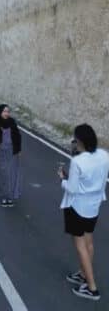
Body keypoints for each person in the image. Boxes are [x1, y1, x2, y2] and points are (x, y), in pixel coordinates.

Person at [59, 124, 109, 301]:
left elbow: (72, 189)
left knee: (80, 247)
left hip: (77, 207)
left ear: (79, 141)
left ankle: (92, 288)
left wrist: (63, 179)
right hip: (94, 206)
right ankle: (83, 273)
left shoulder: (78, 162)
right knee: (89, 242)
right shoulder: (104, 155)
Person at [0, 104, 22, 207]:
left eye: (8, 111)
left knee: (11, 175)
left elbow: (17, 136)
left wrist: (19, 150)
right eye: (4, 111)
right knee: (2, 175)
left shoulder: (12, 123)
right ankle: (3, 196)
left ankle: (9, 197)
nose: (7, 113)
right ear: (0, 112)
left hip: (11, 152)